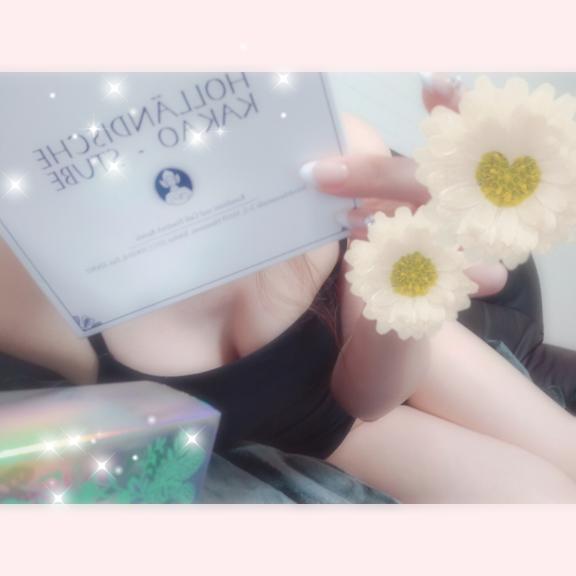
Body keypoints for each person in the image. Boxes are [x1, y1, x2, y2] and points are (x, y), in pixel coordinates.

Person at [1, 74, 575, 503]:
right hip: (329, 434)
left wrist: (417, 266)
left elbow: (369, 395)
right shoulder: (27, 279)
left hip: (390, 356)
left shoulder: (333, 150)